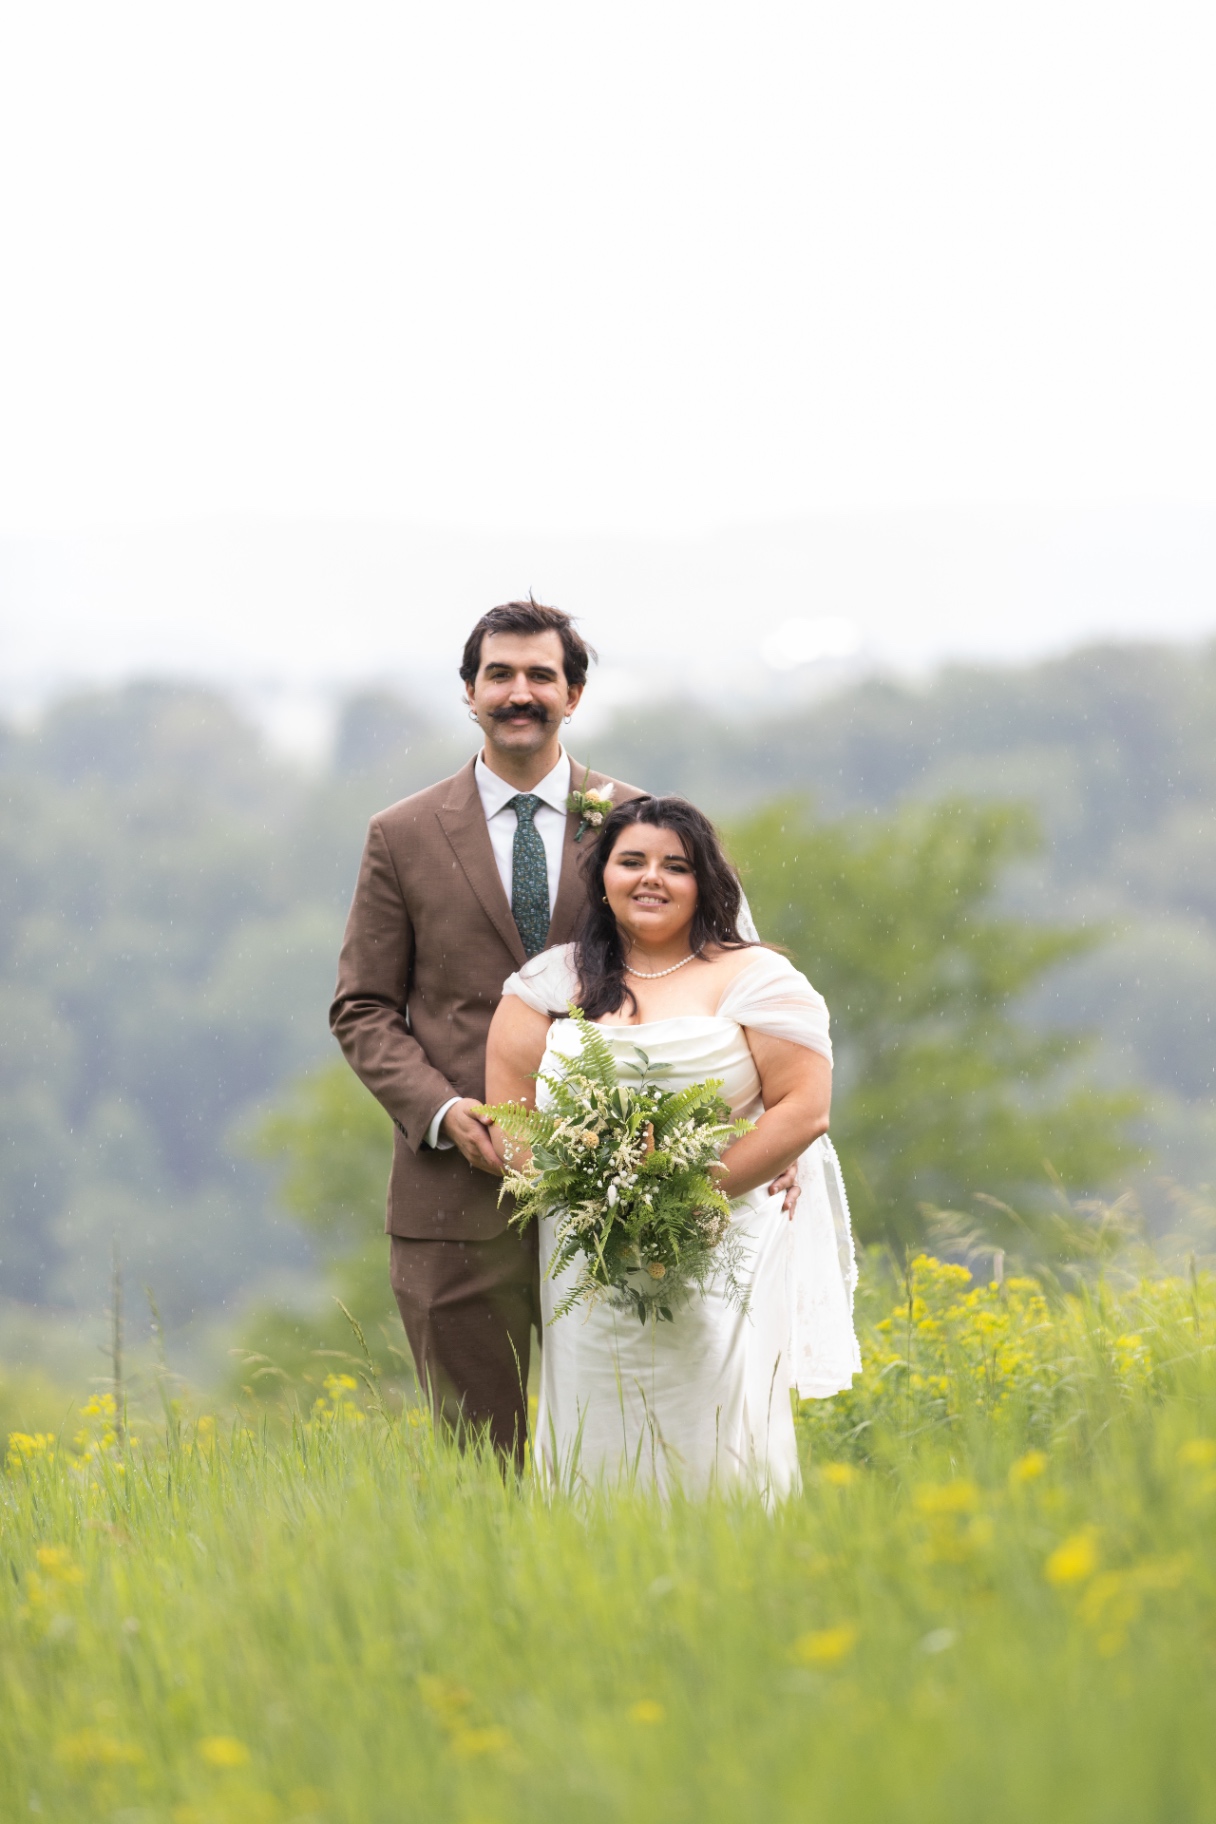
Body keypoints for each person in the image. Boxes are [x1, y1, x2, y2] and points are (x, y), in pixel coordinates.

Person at [484, 794, 860, 1497]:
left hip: (717, 1242)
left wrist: (677, 1197)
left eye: (675, 866)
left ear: (704, 882)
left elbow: (803, 1110)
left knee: (714, 1424)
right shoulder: (547, 986)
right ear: (603, 877)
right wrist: (597, 1201)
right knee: (597, 1422)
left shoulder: (760, 982)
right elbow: (511, 1114)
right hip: (586, 1257)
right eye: (632, 861)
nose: (650, 878)